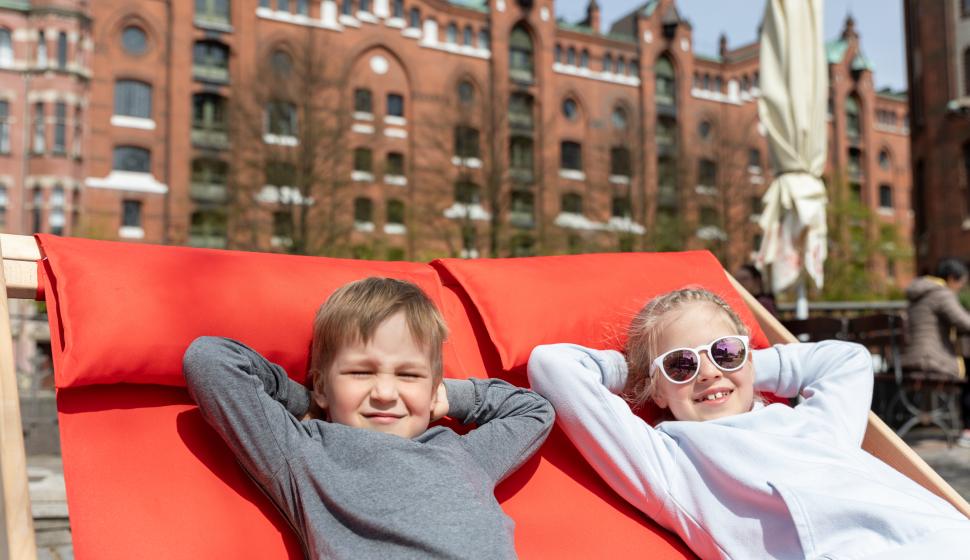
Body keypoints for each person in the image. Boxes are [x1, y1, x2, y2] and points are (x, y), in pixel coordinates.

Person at [528, 287, 970, 559]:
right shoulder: (669, 463)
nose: (707, 373)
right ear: (657, 390)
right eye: (680, 365)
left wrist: (750, 365)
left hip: (946, 536)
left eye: (724, 352)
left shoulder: (817, 427)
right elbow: (553, 366)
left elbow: (846, 359)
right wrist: (641, 371)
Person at [184, 277, 554, 559]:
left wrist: (444, 397)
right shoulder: (301, 450)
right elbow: (211, 361)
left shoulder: (464, 454)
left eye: (408, 375)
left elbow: (535, 410)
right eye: (361, 373)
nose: (384, 393)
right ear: (323, 386)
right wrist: (315, 401)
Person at [901, 258, 970, 447]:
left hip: (909, 359)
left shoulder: (919, 292)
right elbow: (963, 322)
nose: (960, 289)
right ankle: (967, 430)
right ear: (951, 278)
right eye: (961, 284)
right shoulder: (941, 294)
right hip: (929, 360)